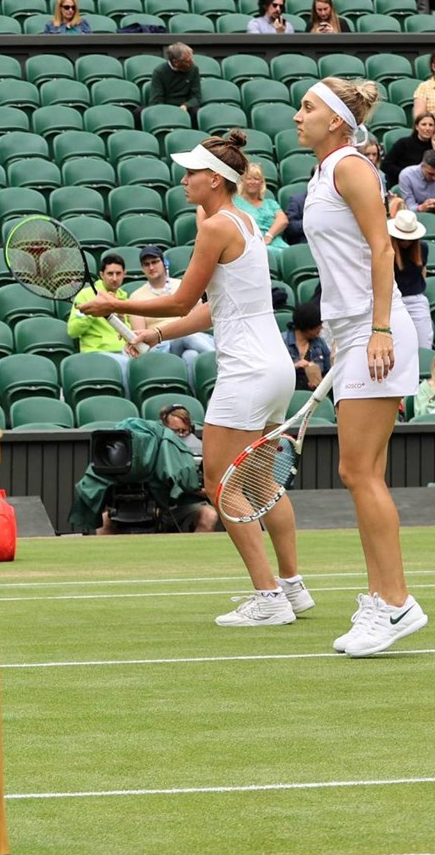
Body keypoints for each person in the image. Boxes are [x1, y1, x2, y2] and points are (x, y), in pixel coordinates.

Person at [79, 133, 305, 624]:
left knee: (221, 483)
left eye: (191, 173)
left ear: (215, 180)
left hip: (246, 372)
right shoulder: (243, 220)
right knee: (262, 481)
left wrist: (114, 303)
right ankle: (292, 588)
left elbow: (182, 300)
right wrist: (154, 336)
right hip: (275, 369)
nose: (183, 181)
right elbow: (210, 311)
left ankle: (268, 599)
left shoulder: (216, 226)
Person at [295, 77, 430, 653]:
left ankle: (396, 602)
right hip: (354, 331)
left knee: (359, 473)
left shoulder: (349, 165)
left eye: (306, 108)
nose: (297, 116)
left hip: (377, 330)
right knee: (360, 473)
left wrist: (376, 330)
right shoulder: (324, 171)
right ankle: (382, 600)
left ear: (335, 121)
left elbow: (381, 247)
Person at [129, 246, 217, 377]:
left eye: (155, 262)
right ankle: (218, 361)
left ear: (164, 263)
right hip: (160, 344)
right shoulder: (136, 297)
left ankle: (191, 394)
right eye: (146, 264)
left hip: (189, 339)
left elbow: (200, 312)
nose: (151, 267)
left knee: (191, 356)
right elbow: (140, 333)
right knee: (187, 335)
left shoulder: (182, 286)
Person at [66, 253, 134, 392]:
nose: (114, 278)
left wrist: (121, 317)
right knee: (125, 364)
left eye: (118, 273)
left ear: (124, 274)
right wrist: (94, 310)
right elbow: (73, 331)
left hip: (124, 351)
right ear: (102, 274)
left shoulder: (125, 298)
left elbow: (130, 332)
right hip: (96, 352)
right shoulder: (86, 295)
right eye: (110, 274)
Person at [389, 210, 435, 355]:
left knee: (424, 343)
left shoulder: (422, 248)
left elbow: (423, 271)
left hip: (416, 298)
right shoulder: (387, 249)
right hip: (393, 299)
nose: (406, 242)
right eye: (402, 238)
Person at [234, 163, 290, 249]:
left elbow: (283, 220)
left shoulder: (270, 203)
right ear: (243, 181)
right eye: (249, 178)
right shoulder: (235, 202)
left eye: (256, 179)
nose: (252, 182)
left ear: (261, 182)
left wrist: (269, 236)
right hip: (249, 245)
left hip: (275, 242)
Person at [148, 43, 202, 117]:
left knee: (198, 112)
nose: (192, 63)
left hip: (185, 108)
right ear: (175, 62)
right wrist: (169, 110)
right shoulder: (160, 71)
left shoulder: (194, 69)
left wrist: (186, 105)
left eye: (192, 59)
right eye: (187, 61)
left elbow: (196, 97)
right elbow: (156, 100)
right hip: (165, 107)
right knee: (139, 113)